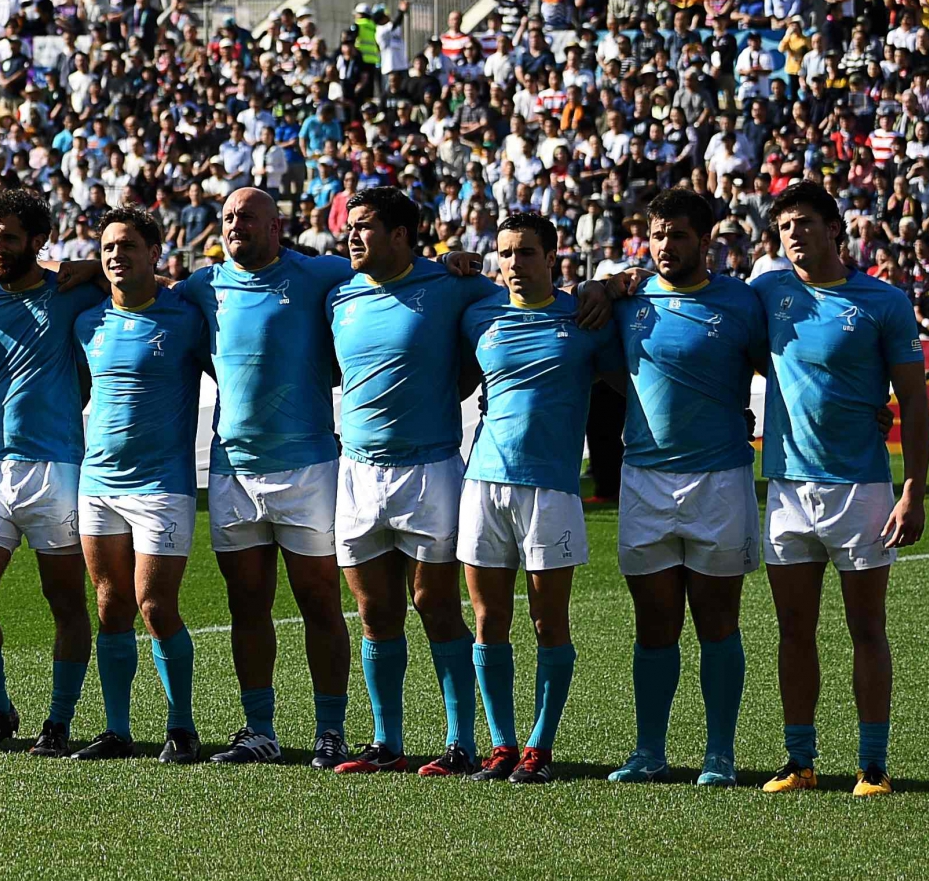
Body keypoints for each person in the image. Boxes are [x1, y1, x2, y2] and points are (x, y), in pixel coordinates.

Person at [751, 181, 928, 795]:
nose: (793, 235)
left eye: (803, 223)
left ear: (834, 229)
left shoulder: (883, 301)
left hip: (861, 489)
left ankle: (872, 765)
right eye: (783, 227)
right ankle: (799, 761)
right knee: (793, 630)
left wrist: (913, 491)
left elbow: (911, 400)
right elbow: (710, 320)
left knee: (866, 628)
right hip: (788, 490)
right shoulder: (768, 292)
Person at [188, 186, 356, 766]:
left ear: (277, 226)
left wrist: (455, 263)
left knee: (319, 601)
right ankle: (259, 729)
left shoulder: (317, 275)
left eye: (248, 217)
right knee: (247, 604)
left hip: (307, 468)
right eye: (229, 217)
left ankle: (330, 730)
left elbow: (393, 270)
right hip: (233, 469)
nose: (235, 225)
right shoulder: (203, 287)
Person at [604, 187, 765, 787]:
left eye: (677, 235)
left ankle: (719, 753)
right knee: (653, 621)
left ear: (706, 241)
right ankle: (650, 751)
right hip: (644, 478)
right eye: (657, 234)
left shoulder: (742, 303)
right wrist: (600, 286)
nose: (665, 246)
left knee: (718, 619)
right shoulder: (629, 298)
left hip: (719, 479)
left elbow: (788, 370)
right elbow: (604, 367)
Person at [455, 211, 614, 783]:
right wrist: (451, 261)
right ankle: (501, 745)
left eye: (525, 252)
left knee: (550, 622)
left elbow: (638, 378)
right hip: (482, 483)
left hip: (551, 488)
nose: (513, 264)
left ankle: (540, 747)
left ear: (552, 256)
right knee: (487, 618)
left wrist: (615, 281)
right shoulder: (478, 311)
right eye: (505, 253)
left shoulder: (584, 315)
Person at [325, 186, 479, 775]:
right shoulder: (338, 294)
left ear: (401, 234)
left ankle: (461, 743)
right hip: (357, 470)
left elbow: (518, 302)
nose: (353, 237)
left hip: (430, 469)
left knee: (435, 604)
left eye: (364, 227)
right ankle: (386, 743)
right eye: (349, 229)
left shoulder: (451, 286)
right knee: (375, 613)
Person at [0, 187, 98, 758]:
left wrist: (87, 265)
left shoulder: (72, 293)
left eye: (9, 238)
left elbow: (143, 286)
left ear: (39, 242)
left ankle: (59, 721)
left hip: (57, 468)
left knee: (64, 601)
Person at [66, 207, 214, 763]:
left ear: (155, 252)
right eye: (106, 247)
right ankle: (117, 729)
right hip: (97, 482)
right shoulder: (89, 322)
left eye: (128, 245)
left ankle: (181, 726)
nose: (115, 255)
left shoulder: (187, 317)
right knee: (110, 606)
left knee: (154, 604)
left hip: (162, 485)